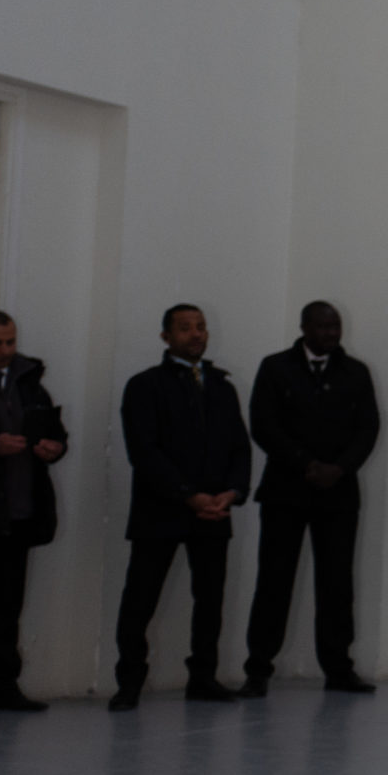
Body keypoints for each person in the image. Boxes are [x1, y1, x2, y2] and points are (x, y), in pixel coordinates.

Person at [115, 303, 252, 708]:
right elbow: (144, 451)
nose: (196, 334)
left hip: (214, 510)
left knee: (209, 599)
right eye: (185, 328)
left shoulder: (222, 386)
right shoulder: (145, 385)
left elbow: (239, 446)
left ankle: (203, 678)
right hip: (160, 509)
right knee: (140, 599)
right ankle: (129, 682)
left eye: (201, 327)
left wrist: (233, 491)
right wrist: (187, 494)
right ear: (166, 336)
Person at [242, 301, 381, 695]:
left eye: (335, 326)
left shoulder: (356, 372)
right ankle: (258, 668)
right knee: (274, 581)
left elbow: (368, 428)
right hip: (285, 491)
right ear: (303, 327)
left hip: (338, 493)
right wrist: (305, 463)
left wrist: (340, 468)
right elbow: (263, 425)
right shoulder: (275, 368)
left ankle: (338, 669)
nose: (331, 333)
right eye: (322, 326)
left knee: (337, 584)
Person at [0, 311, 70, 712]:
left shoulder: (29, 382)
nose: (4, 350)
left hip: (16, 514)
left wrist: (54, 447)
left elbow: (54, 431)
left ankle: (2, 687)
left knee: (7, 607)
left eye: (10, 342)